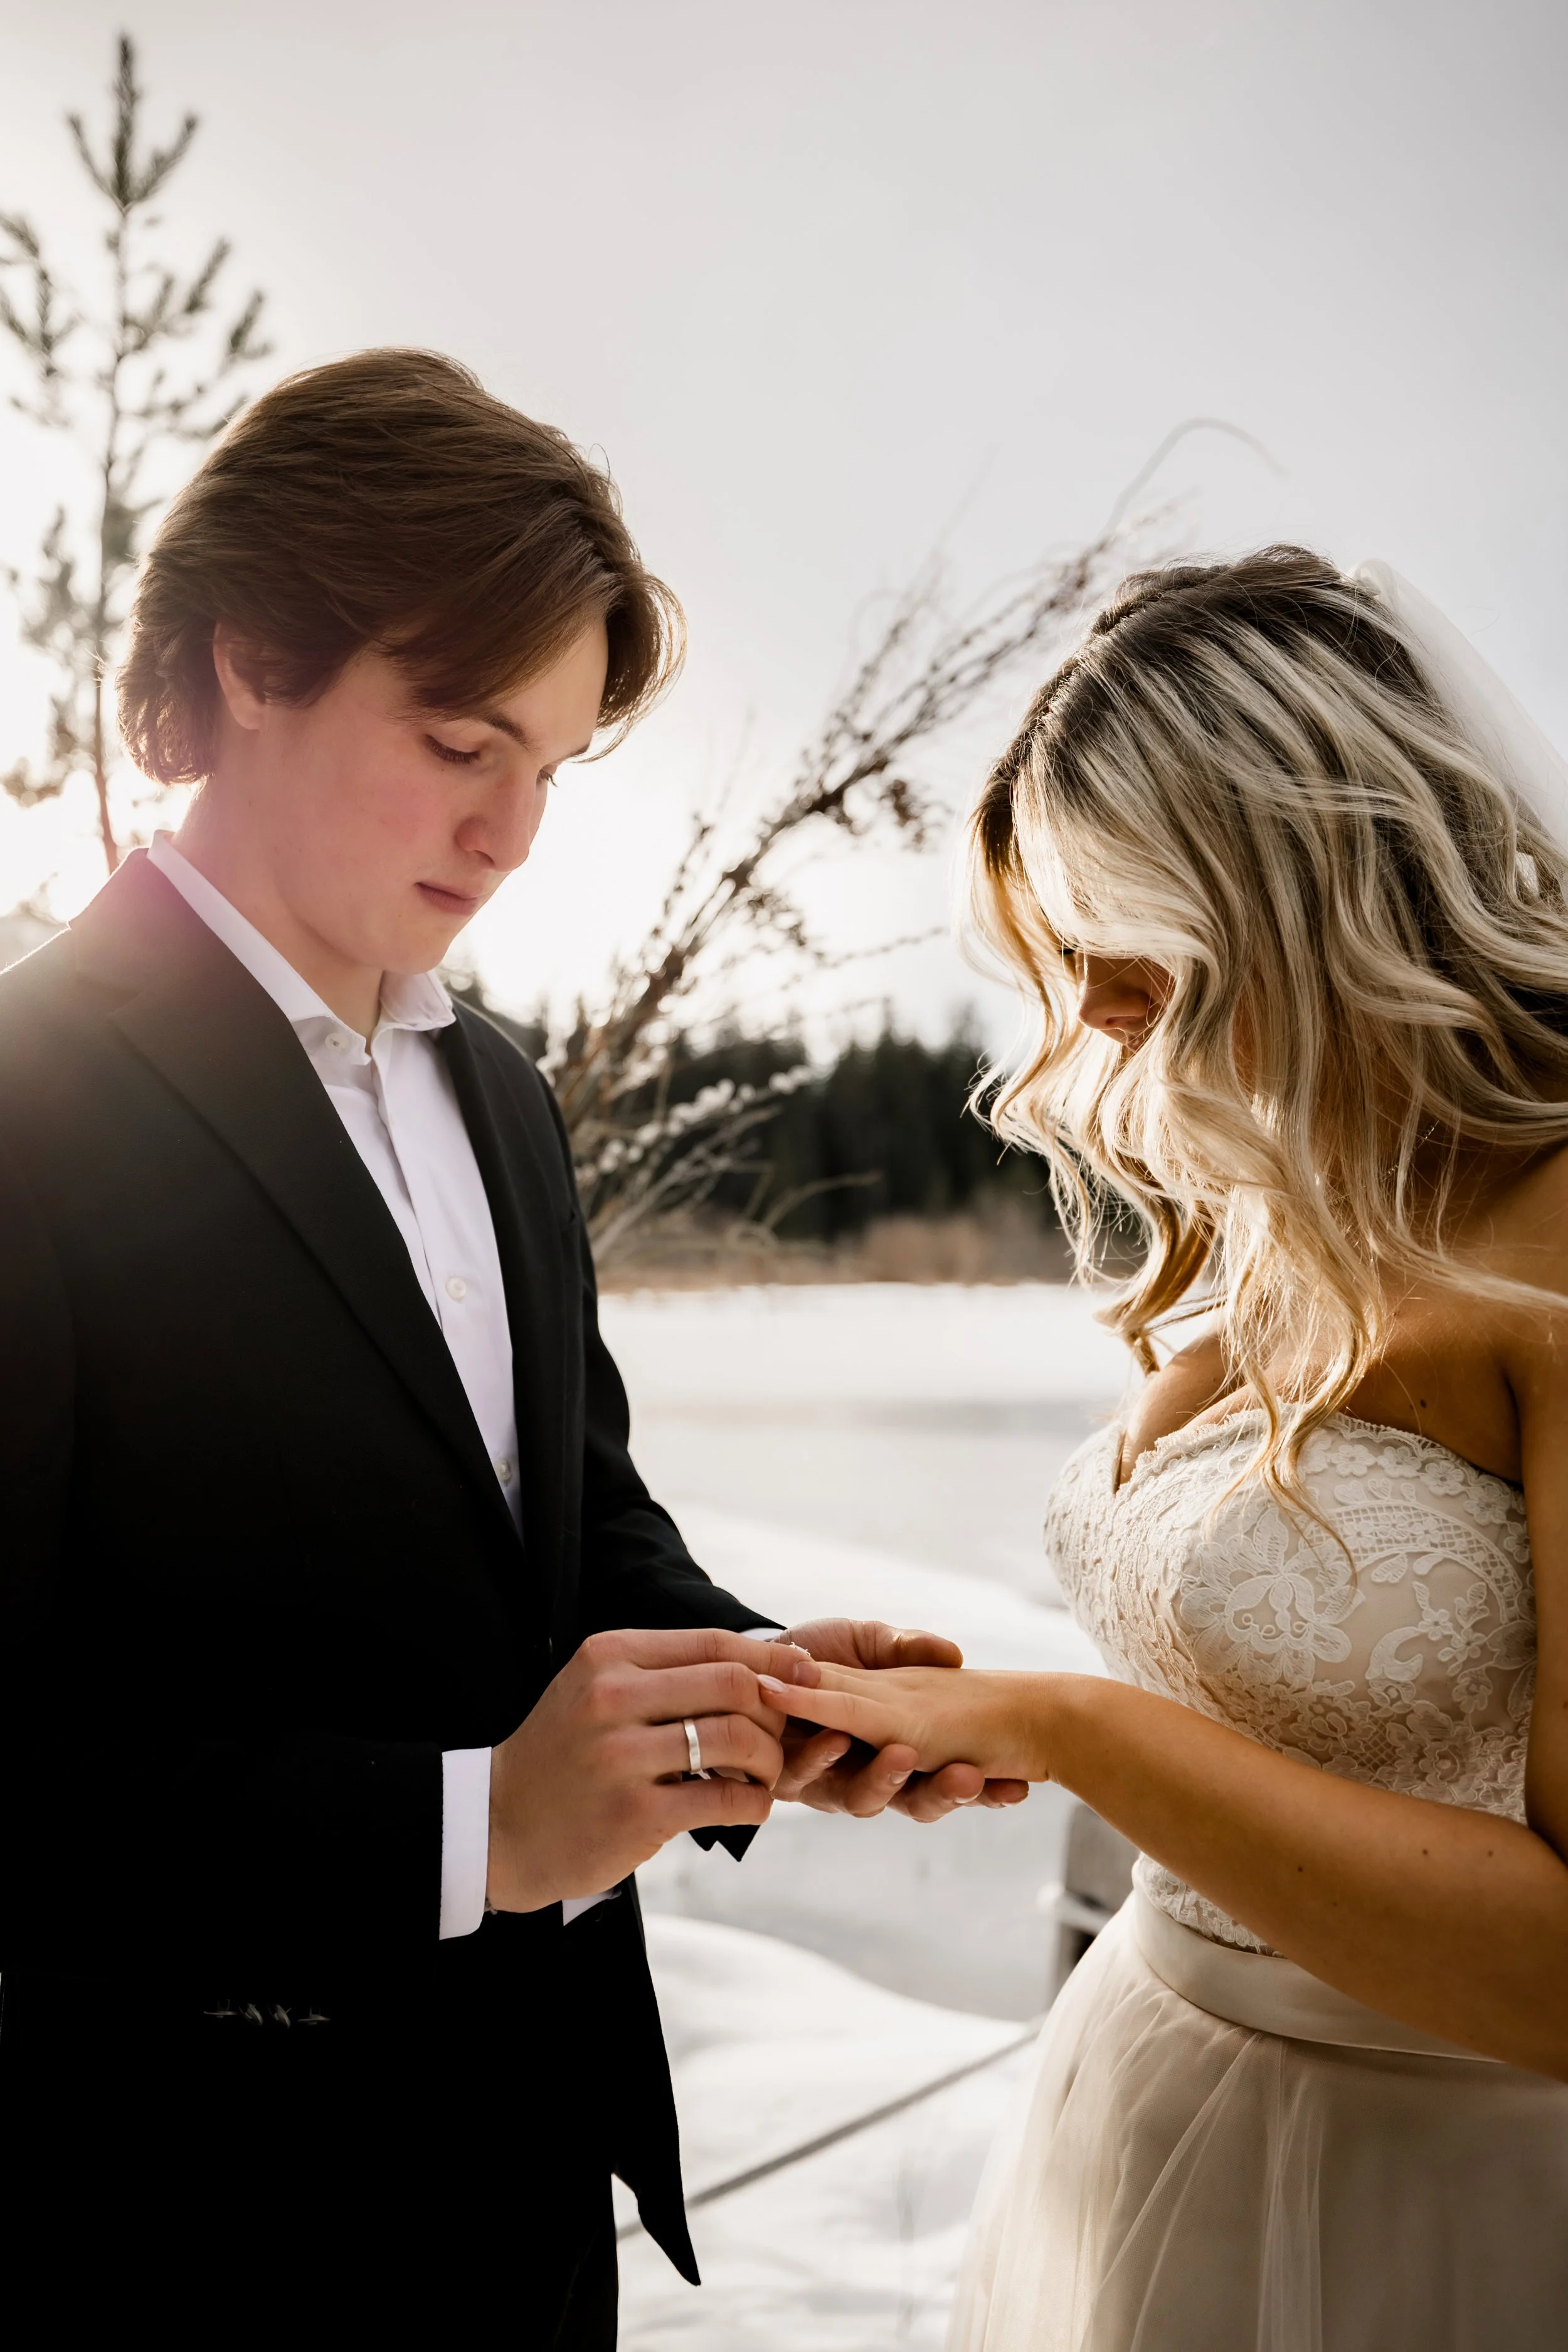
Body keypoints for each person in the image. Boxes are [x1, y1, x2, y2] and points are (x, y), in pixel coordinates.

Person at [0, 349, 1019, 2338]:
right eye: (464, 739)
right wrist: (476, 1826)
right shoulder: (23, 1102)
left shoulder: (505, 1102)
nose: (514, 831)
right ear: (237, 667)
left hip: (537, 2195)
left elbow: (566, 1525)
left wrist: (766, 1693)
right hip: (171, 2227)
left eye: (551, 768)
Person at [766, 548, 1568, 2350]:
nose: (1092, 1017)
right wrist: (960, 1708)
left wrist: (1071, 1730)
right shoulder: (1284, 1208)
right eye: (1060, 950)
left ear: (1292, 884)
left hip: (1436, 2190)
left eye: (1119, 938)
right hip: (1134, 2103)